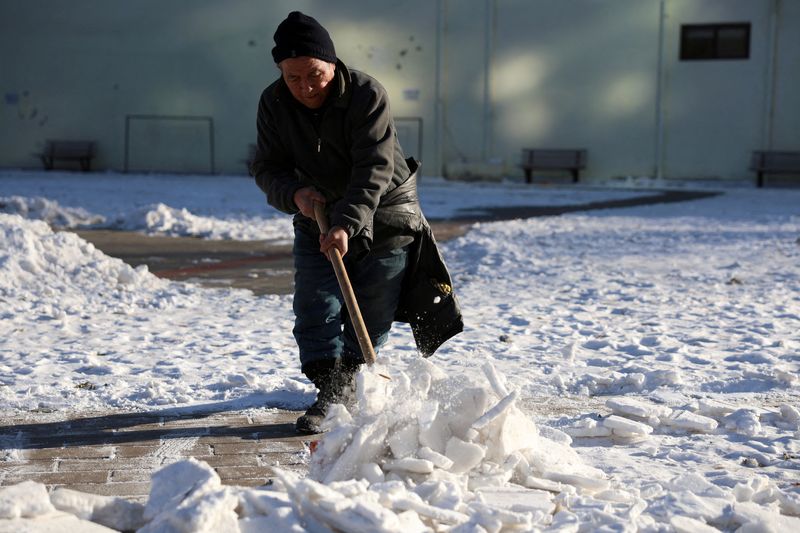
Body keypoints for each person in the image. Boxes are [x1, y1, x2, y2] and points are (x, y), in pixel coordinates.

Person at [251, 11, 462, 434]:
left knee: (370, 309)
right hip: (317, 213)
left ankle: (348, 386)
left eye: (314, 74)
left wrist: (346, 223)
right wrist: (295, 195)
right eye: (293, 77)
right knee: (315, 306)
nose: (306, 87)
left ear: (332, 63)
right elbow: (267, 167)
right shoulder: (274, 103)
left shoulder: (366, 94)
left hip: (386, 215)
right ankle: (330, 392)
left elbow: (374, 168)